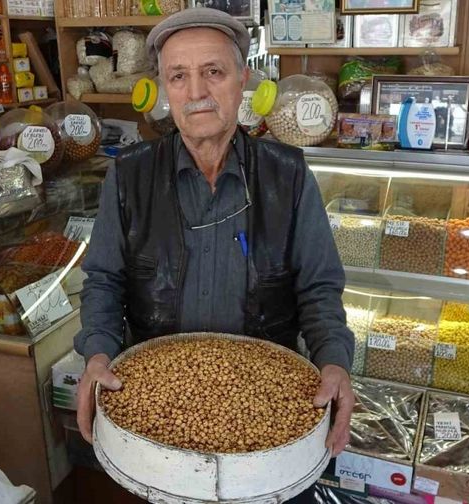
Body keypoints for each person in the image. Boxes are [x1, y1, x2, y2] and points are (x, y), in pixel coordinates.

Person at [74, 7, 356, 498]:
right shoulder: (131, 174)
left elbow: (319, 286)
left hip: (269, 405)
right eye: (178, 76)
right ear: (163, 87)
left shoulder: (286, 175)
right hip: (157, 406)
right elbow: (103, 279)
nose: (197, 92)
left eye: (214, 72)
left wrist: (333, 360)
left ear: (242, 79)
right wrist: (98, 353)